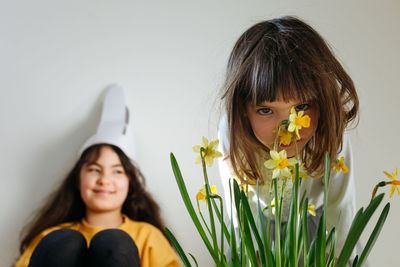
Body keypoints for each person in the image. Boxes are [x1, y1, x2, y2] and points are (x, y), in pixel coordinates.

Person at [217, 16, 360, 263]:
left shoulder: (331, 131)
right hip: (258, 219)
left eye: (301, 106)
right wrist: (253, 255)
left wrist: (340, 257)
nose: (287, 129)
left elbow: (341, 206)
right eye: (265, 110)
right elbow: (239, 211)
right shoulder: (233, 133)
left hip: (316, 220)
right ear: (242, 109)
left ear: (323, 101)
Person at [15, 86, 180, 267]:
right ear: (78, 179)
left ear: (130, 183)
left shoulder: (148, 237)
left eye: (117, 171)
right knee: (64, 243)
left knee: (115, 244)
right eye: (94, 169)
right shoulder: (51, 237)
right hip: (59, 243)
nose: (104, 180)